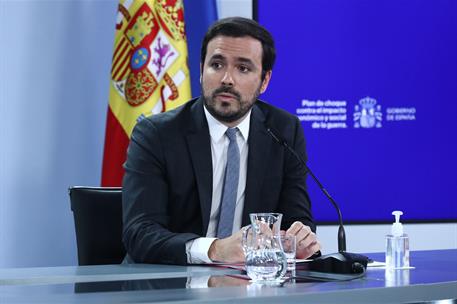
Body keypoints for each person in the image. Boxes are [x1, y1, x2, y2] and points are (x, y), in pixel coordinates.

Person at [122, 17, 320, 265]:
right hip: (166, 285)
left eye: (243, 68)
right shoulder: (156, 134)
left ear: (265, 81)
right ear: (201, 69)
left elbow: (296, 219)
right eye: (216, 64)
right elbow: (139, 233)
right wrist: (214, 250)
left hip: (252, 285)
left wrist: (298, 240)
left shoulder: (283, 131)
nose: (227, 79)